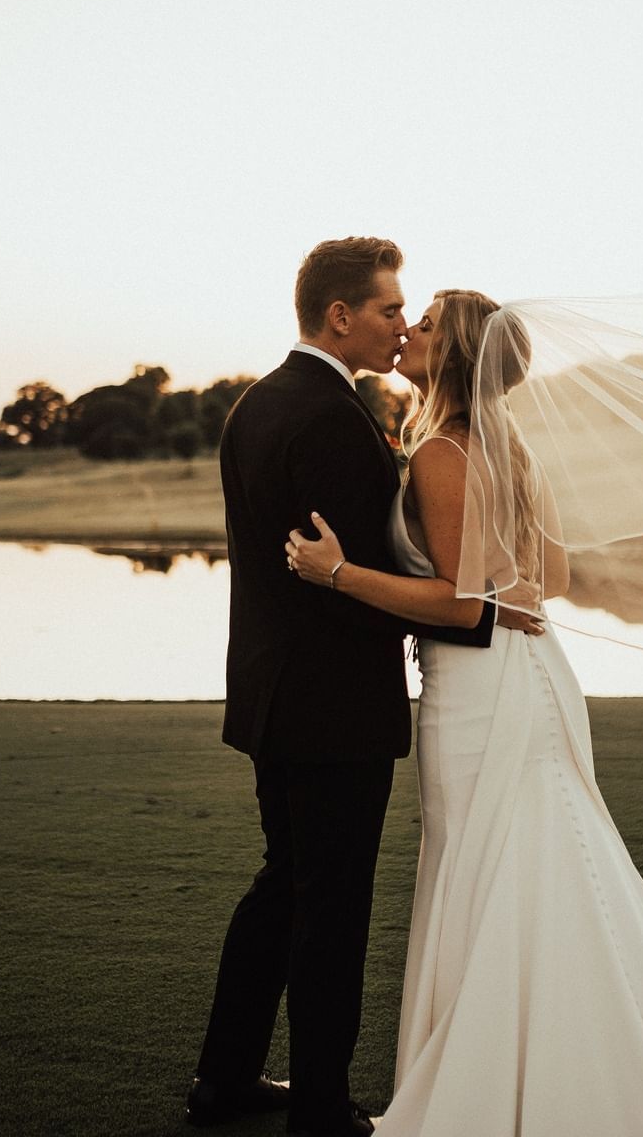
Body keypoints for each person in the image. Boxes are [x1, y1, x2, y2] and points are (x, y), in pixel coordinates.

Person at [286, 288, 643, 1134]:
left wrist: (339, 574)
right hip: (535, 673)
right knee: (536, 860)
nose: (409, 331)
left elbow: (459, 605)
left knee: (488, 865)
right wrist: (501, 590)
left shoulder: (441, 451)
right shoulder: (512, 447)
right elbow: (553, 579)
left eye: (426, 324)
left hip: (477, 689)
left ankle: (498, 1084)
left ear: (455, 354)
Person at [188, 239, 521, 1137]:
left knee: (285, 884)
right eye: (388, 309)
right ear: (341, 316)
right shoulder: (332, 418)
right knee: (330, 907)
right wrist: (476, 616)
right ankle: (322, 1109)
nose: (402, 325)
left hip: (271, 694)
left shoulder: (259, 403)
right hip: (332, 709)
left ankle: (224, 1079)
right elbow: (349, 579)